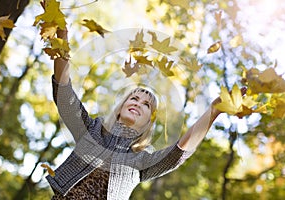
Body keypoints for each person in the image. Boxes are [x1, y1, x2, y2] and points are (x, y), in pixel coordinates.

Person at [46, 28, 243, 200]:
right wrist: (61, 37)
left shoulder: (141, 160)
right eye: (134, 98)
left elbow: (178, 153)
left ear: (149, 121)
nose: (138, 103)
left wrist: (214, 111)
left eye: (146, 104)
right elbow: (64, 93)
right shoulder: (92, 130)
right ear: (121, 107)